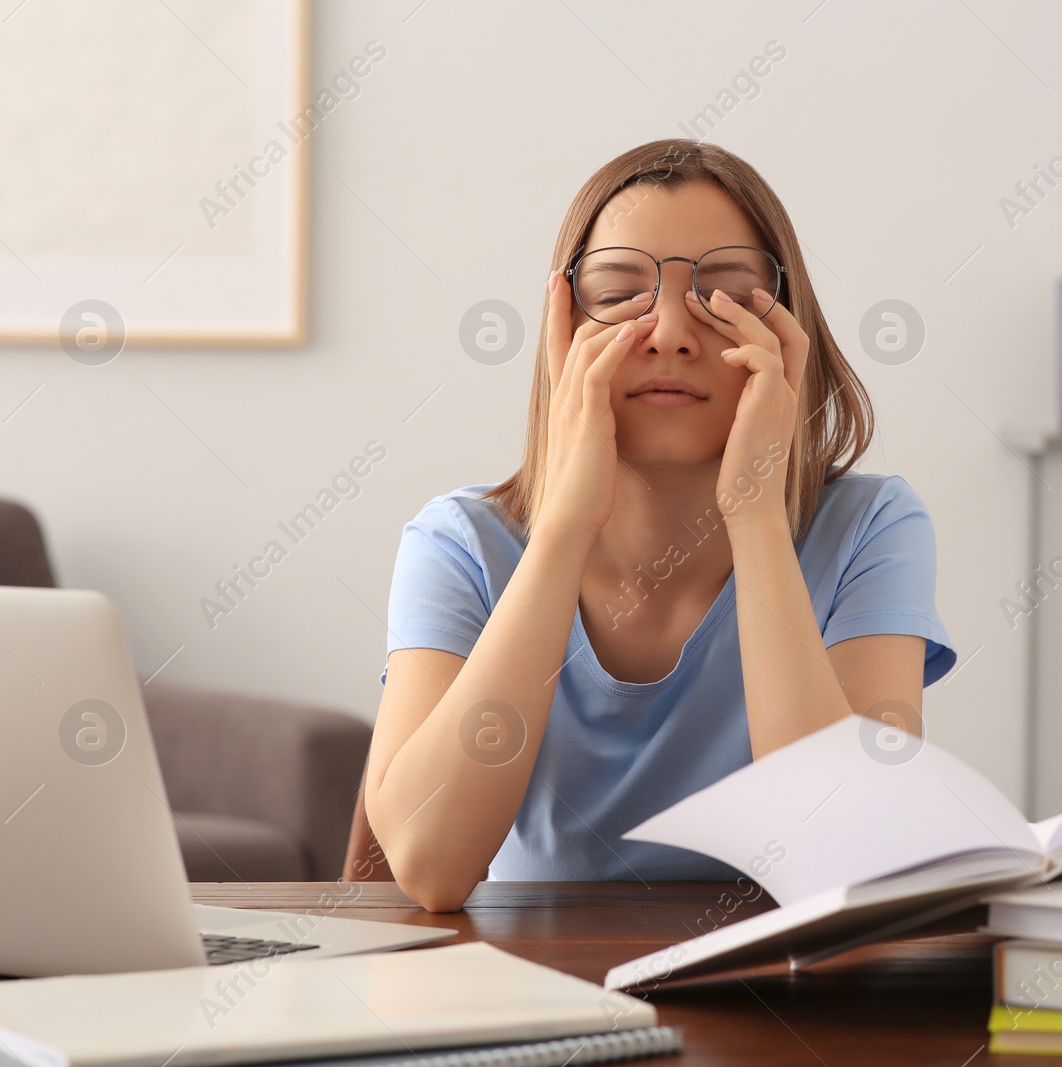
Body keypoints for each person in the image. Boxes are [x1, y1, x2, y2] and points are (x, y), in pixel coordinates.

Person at [365, 139, 956, 912]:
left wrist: (754, 509)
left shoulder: (872, 527)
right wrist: (565, 526)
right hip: (537, 998)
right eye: (618, 292)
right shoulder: (458, 543)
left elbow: (842, 852)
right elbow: (429, 863)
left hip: (783, 1001)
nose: (672, 332)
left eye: (727, 294)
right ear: (561, 334)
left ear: (787, 328)